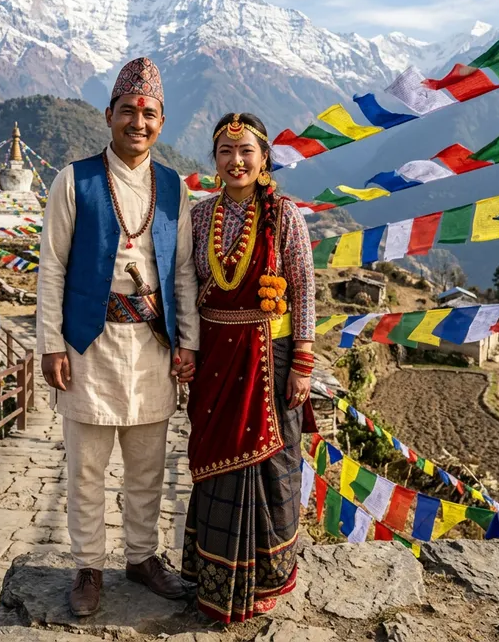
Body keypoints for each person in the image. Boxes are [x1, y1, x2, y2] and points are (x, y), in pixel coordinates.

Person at [37, 57, 200, 617]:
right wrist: (51, 344)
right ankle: (87, 564)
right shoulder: (74, 180)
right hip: (89, 343)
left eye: (148, 113)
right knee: (85, 467)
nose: (138, 121)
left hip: (152, 346)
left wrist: (189, 343)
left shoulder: (175, 187)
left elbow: (182, 272)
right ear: (108, 115)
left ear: (162, 121)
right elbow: (52, 267)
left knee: (147, 466)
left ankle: (141, 556)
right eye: (128, 110)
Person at [181, 112, 317, 623]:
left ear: (264, 160)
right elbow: (190, 287)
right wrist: (188, 347)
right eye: (225, 152)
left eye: (246, 152)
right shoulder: (201, 217)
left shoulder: (285, 215)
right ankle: (211, 578)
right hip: (216, 355)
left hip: (270, 356)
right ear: (214, 161)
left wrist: (302, 361)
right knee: (215, 464)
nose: (236, 161)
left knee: (272, 465)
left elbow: (303, 288)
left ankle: (265, 579)